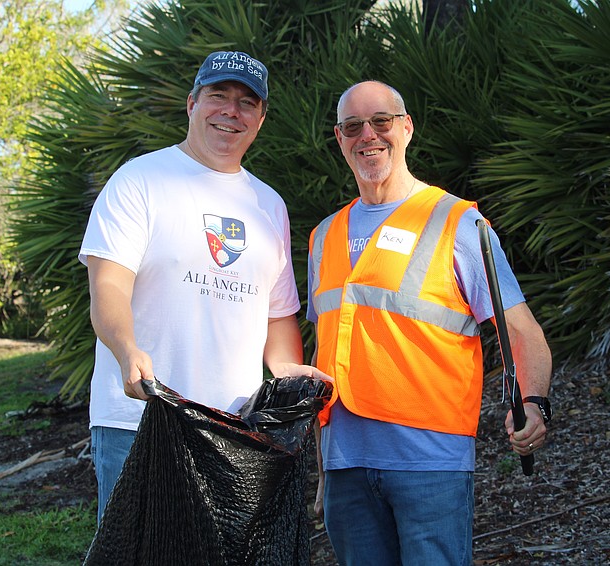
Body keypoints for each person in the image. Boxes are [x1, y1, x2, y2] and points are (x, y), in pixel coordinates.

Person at [307, 80, 553, 565]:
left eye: (381, 122)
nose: (368, 136)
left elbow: (523, 331)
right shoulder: (323, 236)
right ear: (340, 139)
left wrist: (535, 401)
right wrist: (322, 468)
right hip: (345, 467)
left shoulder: (457, 222)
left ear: (406, 128)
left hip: (430, 463)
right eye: (353, 126)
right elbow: (324, 356)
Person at [79, 50, 328, 525]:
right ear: (192, 102)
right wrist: (126, 347)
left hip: (234, 432)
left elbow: (276, 315)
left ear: (261, 117)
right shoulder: (140, 181)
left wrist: (288, 368)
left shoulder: (268, 206)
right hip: (140, 422)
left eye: (247, 102)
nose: (231, 111)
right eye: (219, 95)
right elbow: (108, 285)